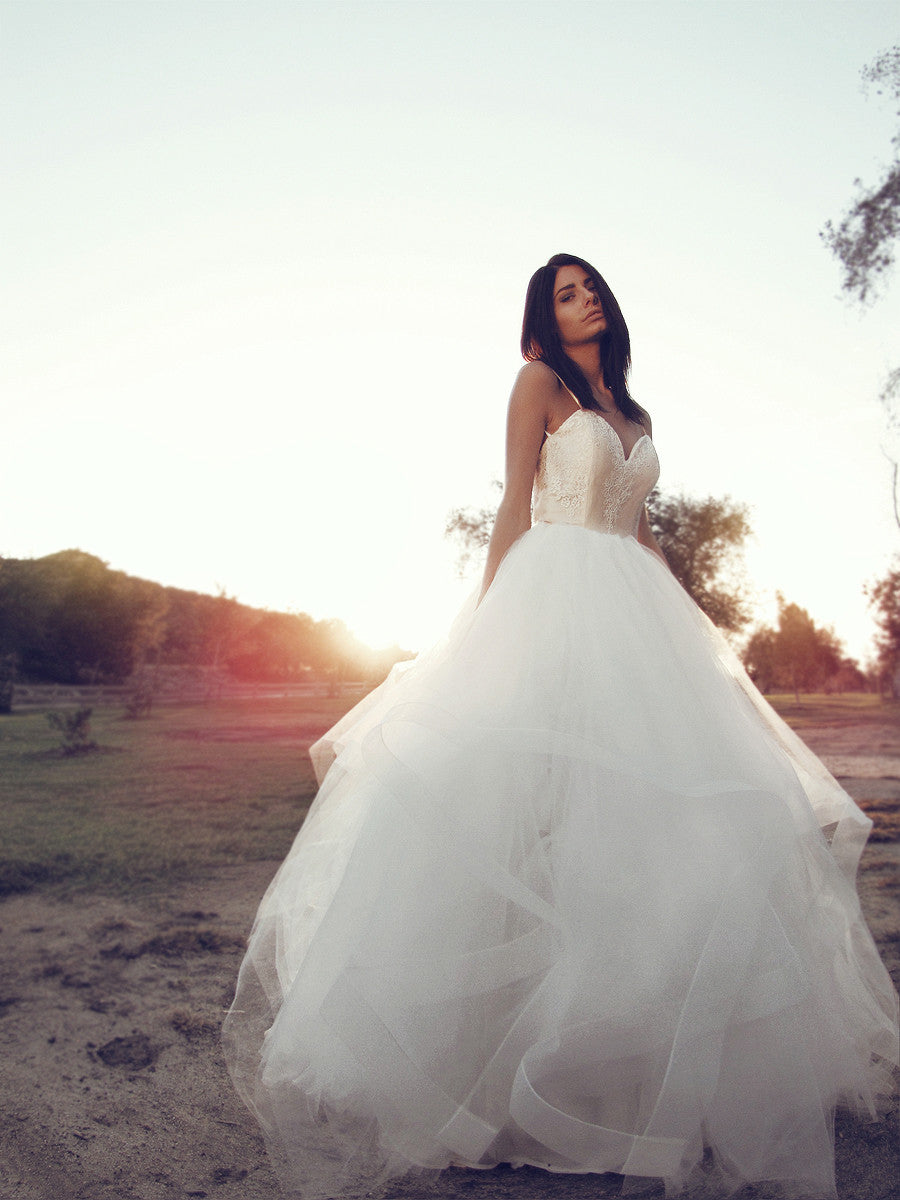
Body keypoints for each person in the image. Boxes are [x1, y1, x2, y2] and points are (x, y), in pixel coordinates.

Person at [223, 253, 898, 1200]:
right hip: (551, 598)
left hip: (633, 610)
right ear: (544, 316)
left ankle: (628, 1074)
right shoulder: (537, 384)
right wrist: (485, 620)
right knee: (521, 812)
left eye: (593, 288)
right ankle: (487, 1075)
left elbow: (642, 531)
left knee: (651, 825)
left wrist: (693, 631)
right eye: (567, 292)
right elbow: (514, 500)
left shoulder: (638, 415)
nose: (587, 301)